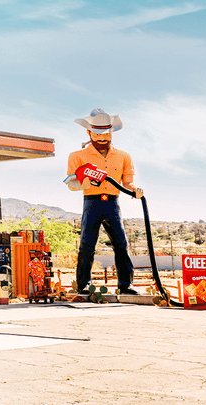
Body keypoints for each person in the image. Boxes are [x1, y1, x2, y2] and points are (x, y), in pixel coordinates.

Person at [65, 109, 143, 295]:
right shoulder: (77, 156)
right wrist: (82, 184)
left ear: (111, 133)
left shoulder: (123, 156)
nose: (102, 138)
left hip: (113, 203)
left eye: (106, 134)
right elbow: (71, 183)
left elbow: (127, 182)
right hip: (91, 202)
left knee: (121, 244)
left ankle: (125, 285)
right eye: (98, 134)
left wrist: (135, 190)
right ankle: (83, 284)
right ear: (89, 133)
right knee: (87, 244)